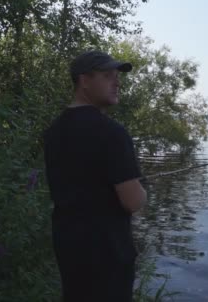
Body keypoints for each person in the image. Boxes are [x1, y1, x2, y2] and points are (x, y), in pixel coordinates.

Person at [43, 50, 148, 301]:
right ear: (84, 80)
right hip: (108, 253)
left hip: (68, 246)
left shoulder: (53, 132)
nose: (117, 82)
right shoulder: (112, 133)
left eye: (116, 76)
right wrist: (142, 188)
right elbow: (133, 201)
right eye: (107, 75)